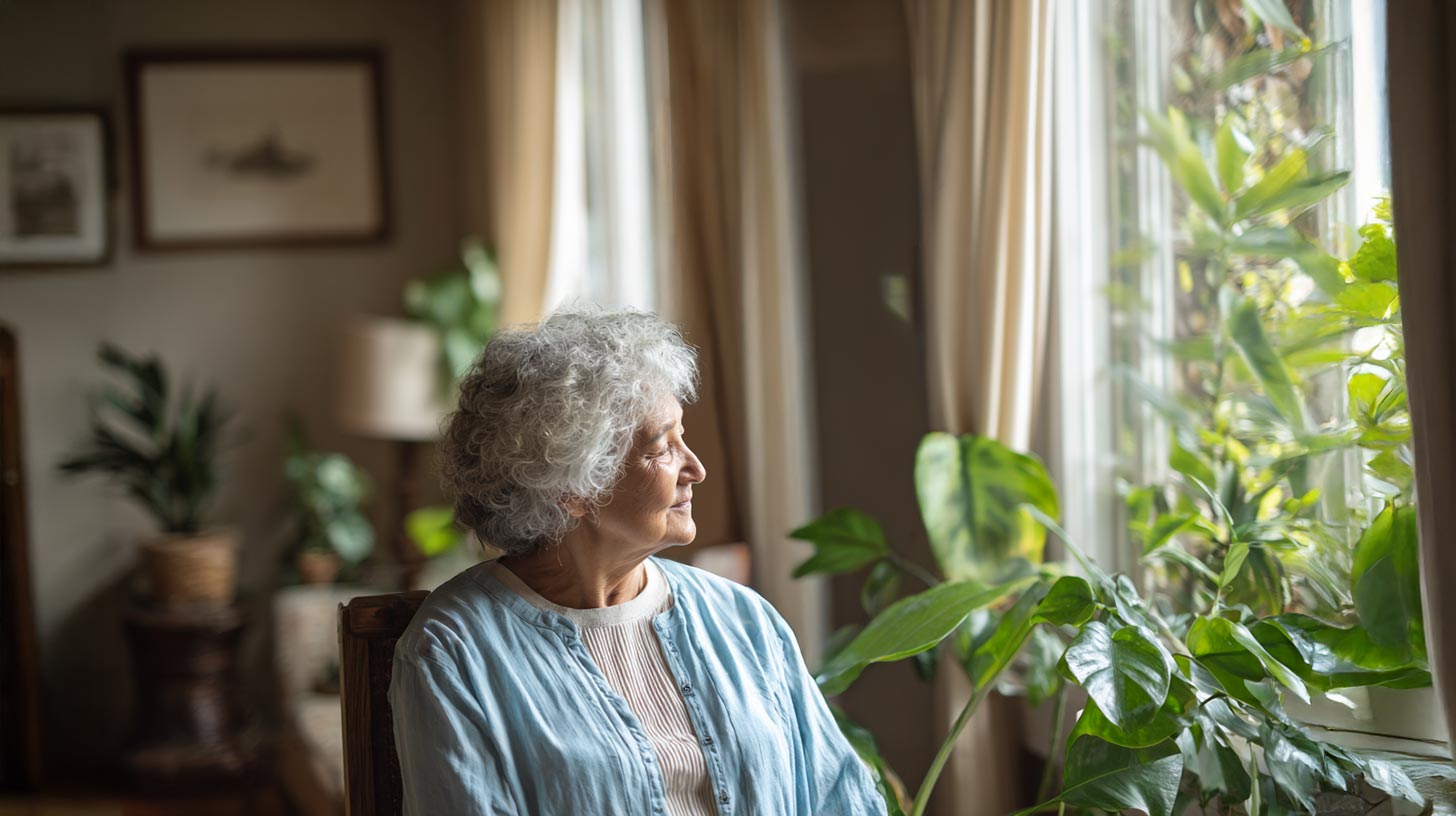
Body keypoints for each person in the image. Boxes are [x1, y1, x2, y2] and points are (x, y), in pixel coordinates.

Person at [388, 304, 887, 815]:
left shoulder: (744, 620)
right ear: (574, 488)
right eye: (661, 447)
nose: (695, 468)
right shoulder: (454, 650)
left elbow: (840, 800)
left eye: (683, 436)